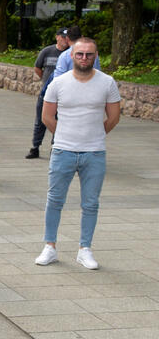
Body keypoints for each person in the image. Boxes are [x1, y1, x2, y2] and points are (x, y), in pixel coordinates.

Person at [35, 37, 121, 270]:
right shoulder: (58, 82)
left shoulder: (107, 82)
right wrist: (65, 135)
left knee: (91, 203)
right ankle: (50, 246)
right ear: (71, 56)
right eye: (80, 54)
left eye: (89, 54)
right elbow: (47, 117)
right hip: (63, 151)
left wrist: (95, 135)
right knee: (54, 200)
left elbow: (113, 117)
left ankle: (85, 249)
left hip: (94, 153)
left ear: (96, 56)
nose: (84, 58)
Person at [28, 28, 70, 159]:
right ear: (57, 37)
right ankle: (35, 147)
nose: (65, 40)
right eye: (63, 37)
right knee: (40, 120)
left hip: (63, 94)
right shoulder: (47, 51)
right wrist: (45, 81)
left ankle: (55, 146)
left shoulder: (70, 54)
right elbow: (37, 68)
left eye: (67, 38)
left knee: (59, 120)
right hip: (47, 92)